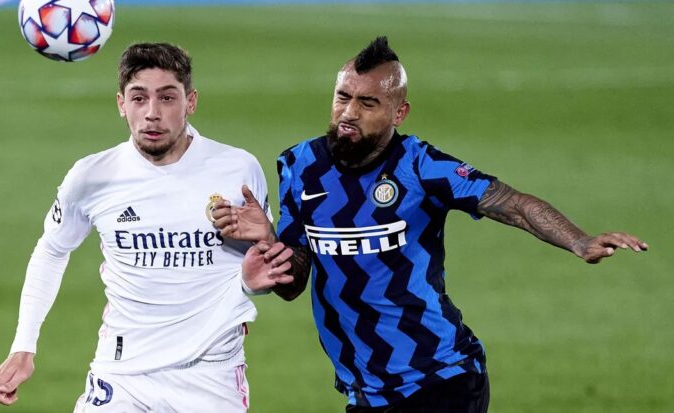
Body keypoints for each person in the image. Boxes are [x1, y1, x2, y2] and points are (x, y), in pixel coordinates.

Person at [212, 36, 648, 412]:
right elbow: (292, 284)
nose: (349, 112)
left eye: (368, 103)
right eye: (343, 97)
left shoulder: (420, 167)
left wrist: (579, 241)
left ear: (399, 113)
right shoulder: (300, 166)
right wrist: (267, 239)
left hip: (441, 378)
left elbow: (510, 203)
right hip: (367, 392)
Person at [0, 42, 294, 412]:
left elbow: (264, 272)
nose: (152, 113)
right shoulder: (92, 176)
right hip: (121, 374)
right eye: (138, 98)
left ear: (191, 101)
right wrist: (23, 346)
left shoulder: (237, 169)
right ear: (121, 104)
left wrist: (265, 244)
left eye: (167, 98)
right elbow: (52, 250)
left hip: (212, 376)